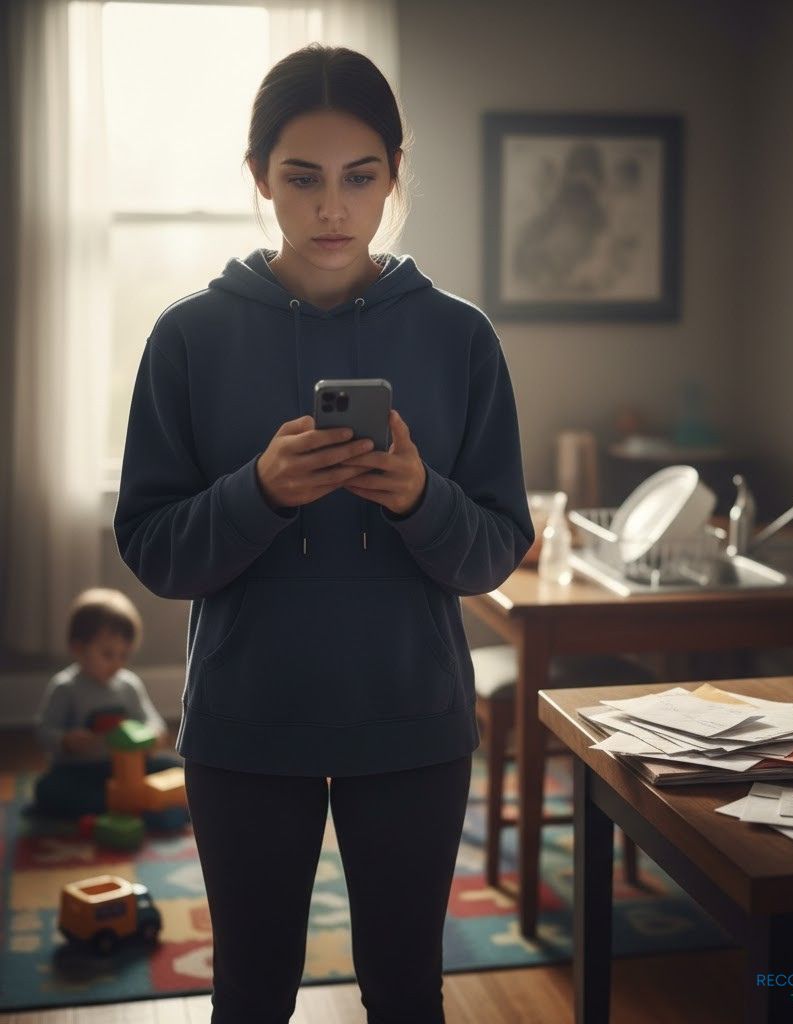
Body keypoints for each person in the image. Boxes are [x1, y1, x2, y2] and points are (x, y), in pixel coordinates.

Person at [112, 43, 533, 1024]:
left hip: (412, 721)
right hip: (246, 725)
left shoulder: (461, 338)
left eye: (360, 178)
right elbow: (154, 549)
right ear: (257, 177)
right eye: (301, 178)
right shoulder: (187, 337)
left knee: (404, 992)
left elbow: (492, 551)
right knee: (250, 991)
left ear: (394, 174)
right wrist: (258, 490)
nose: (331, 208)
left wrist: (421, 494)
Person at [30, 587, 181, 819]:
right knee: (47, 790)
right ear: (78, 649)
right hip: (79, 770)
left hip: (126, 770)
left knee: (177, 769)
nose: (117, 663)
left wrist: (155, 735)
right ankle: (127, 805)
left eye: (124, 655)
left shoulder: (128, 685)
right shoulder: (66, 687)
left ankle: (125, 803)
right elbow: (44, 729)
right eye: (108, 654)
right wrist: (66, 740)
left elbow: (151, 720)